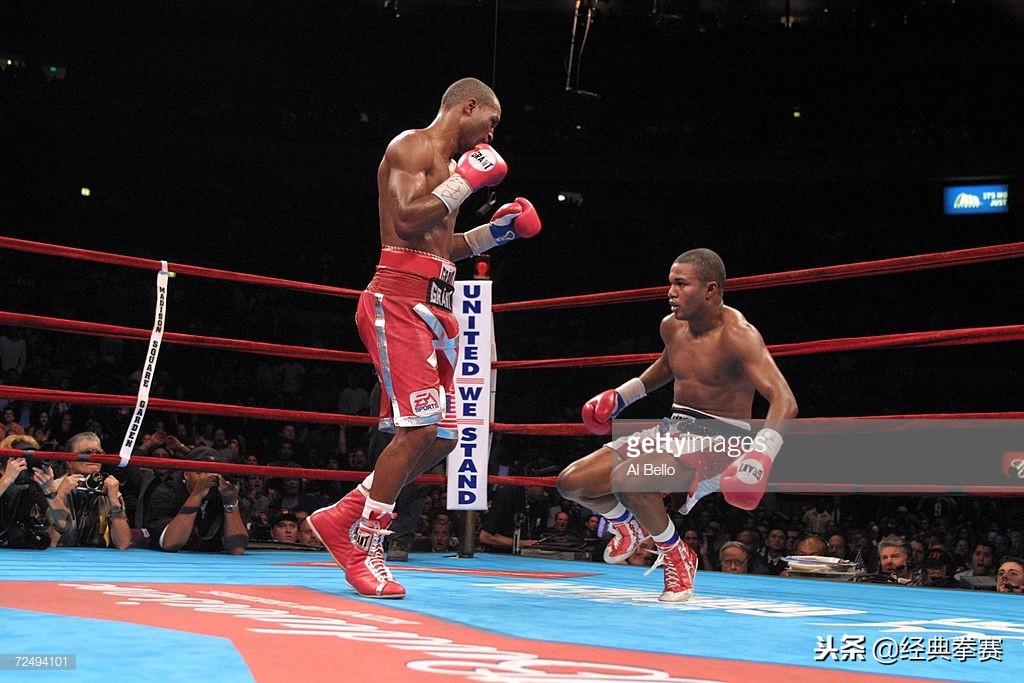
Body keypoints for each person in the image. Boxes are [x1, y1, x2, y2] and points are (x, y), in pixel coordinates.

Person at [308, 77, 541, 599]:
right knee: (419, 429)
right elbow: (407, 221)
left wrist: (498, 232)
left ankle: (341, 517)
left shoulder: (450, 170)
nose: (491, 136)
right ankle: (364, 543)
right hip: (396, 299)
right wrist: (465, 181)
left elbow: (442, 245)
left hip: (434, 307)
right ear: (468, 107)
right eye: (491, 123)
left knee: (443, 436)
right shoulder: (411, 145)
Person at [557, 248, 797, 601]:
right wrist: (621, 396)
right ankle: (629, 526)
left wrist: (761, 455)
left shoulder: (738, 334)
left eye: (682, 284)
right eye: (671, 283)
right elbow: (668, 366)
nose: (671, 292)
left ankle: (677, 556)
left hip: (721, 438)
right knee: (572, 483)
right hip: (673, 430)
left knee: (631, 478)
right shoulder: (671, 326)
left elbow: (784, 399)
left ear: (710, 290)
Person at [31, 432, 132, 549]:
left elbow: (123, 544)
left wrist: (114, 502)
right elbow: (49, 543)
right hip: (57, 557)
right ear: (69, 461)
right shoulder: (49, 487)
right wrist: (59, 496)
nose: (94, 457)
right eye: (87, 453)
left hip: (98, 557)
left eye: (99, 453)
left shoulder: (110, 490)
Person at [144, 446, 248, 554]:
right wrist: (196, 495)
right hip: (169, 560)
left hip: (211, 560)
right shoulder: (166, 492)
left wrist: (230, 503)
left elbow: (237, 549)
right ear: (186, 474)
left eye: (213, 472)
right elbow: (170, 543)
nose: (207, 477)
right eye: (200, 472)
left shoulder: (223, 493)